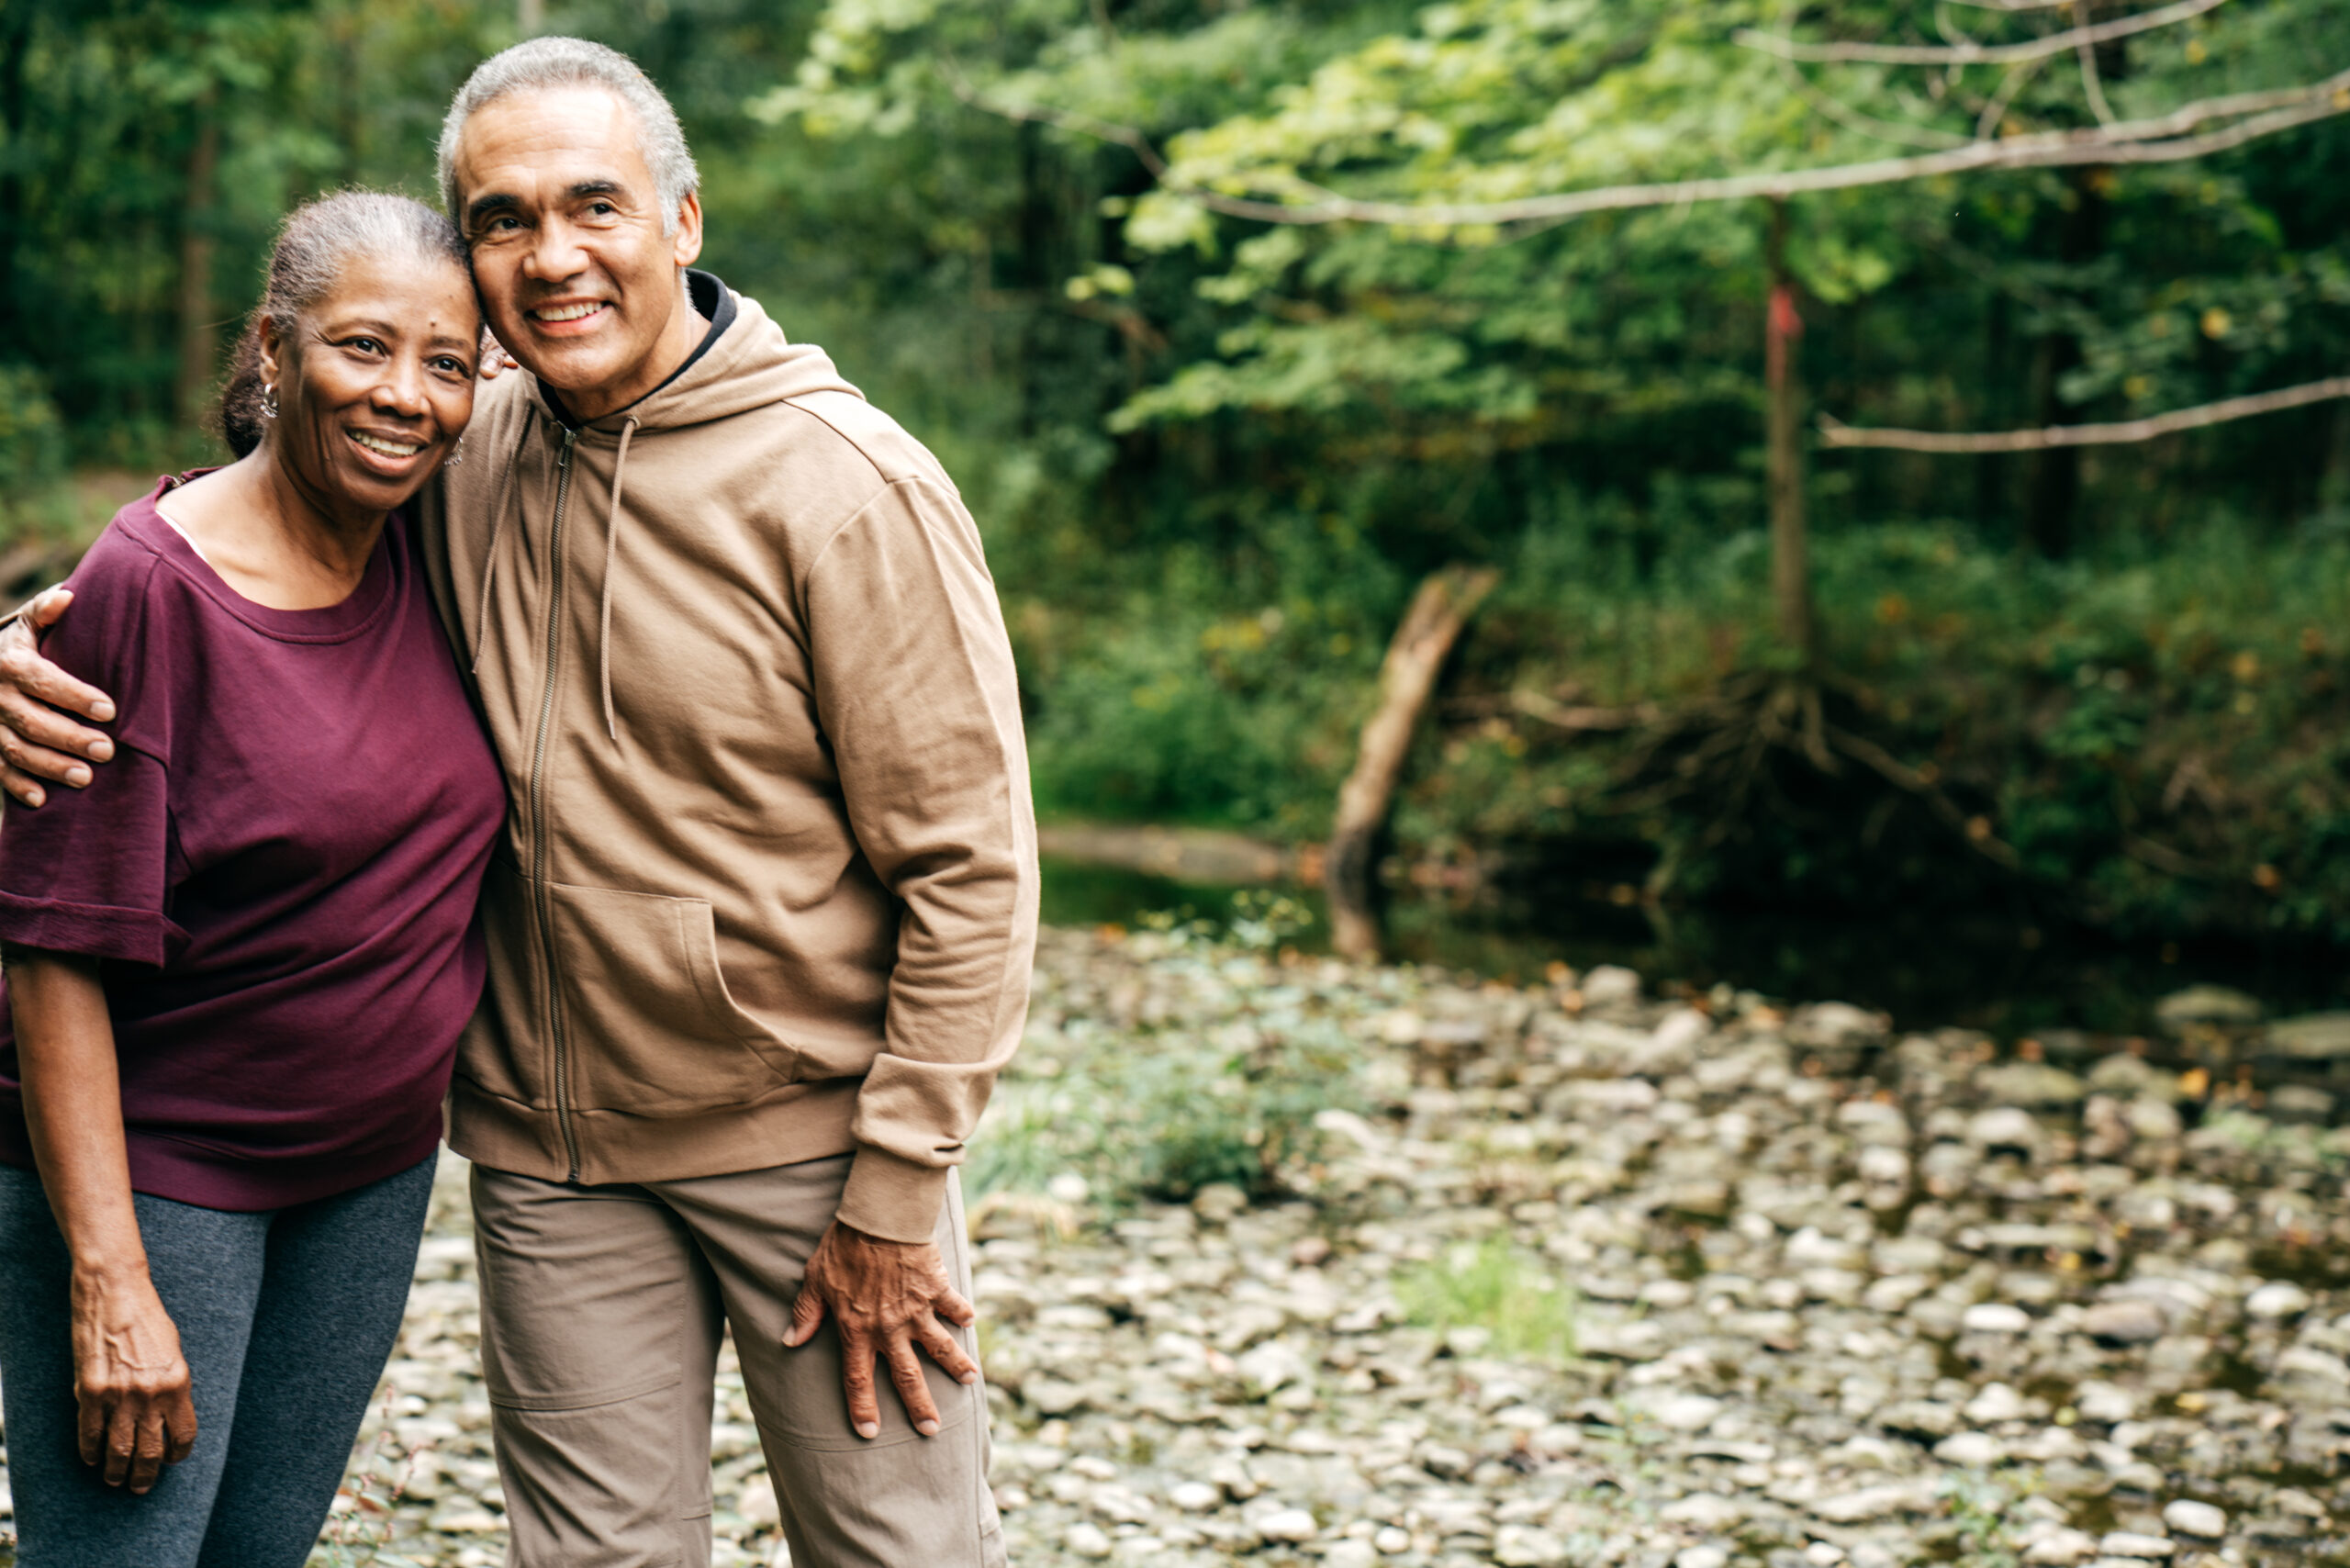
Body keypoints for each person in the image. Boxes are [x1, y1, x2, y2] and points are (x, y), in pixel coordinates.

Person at [0, 37, 1036, 1568]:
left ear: (683, 221)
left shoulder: (846, 487)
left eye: (594, 206)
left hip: (808, 1148)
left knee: (898, 1552)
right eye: (503, 219)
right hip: (554, 1163)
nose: (553, 255)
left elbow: (975, 871)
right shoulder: (462, 441)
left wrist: (896, 1185)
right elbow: (237, 546)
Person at [0, 191, 508, 1568]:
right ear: (274, 355)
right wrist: (111, 1280)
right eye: (360, 348)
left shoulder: (437, 543)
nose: (405, 396)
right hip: (168, 1182)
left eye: (447, 362)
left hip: (370, 1177)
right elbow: (46, 951)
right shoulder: (147, 589)